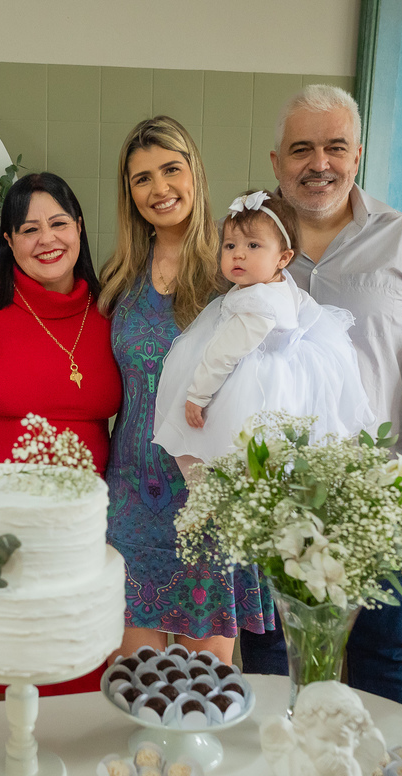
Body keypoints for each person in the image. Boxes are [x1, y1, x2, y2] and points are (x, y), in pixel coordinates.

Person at [240, 85, 402, 705]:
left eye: (334, 147)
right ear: (276, 162)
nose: (318, 163)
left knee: (379, 654)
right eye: (301, 149)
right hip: (272, 495)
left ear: (358, 155)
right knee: (270, 658)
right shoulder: (243, 246)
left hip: (377, 497)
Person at [99, 116, 274, 666]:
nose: (159, 189)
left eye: (171, 169)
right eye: (142, 178)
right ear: (129, 193)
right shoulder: (119, 277)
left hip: (205, 499)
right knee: (133, 681)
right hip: (130, 496)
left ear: (194, 173)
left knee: (204, 687)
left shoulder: (233, 270)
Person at [0, 171, 122, 697]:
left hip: (86, 532)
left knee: (83, 673)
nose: (46, 239)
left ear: (79, 227)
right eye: (29, 229)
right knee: (15, 678)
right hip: (3, 528)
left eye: (58, 223)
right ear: (8, 241)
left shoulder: (112, 307)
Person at [152, 189, 373, 465]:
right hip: (288, 384)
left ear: (283, 258)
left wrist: (198, 394)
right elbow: (309, 315)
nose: (238, 255)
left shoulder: (257, 303)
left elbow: (224, 352)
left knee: (206, 446)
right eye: (230, 246)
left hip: (253, 386)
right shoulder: (282, 286)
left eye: (253, 246)